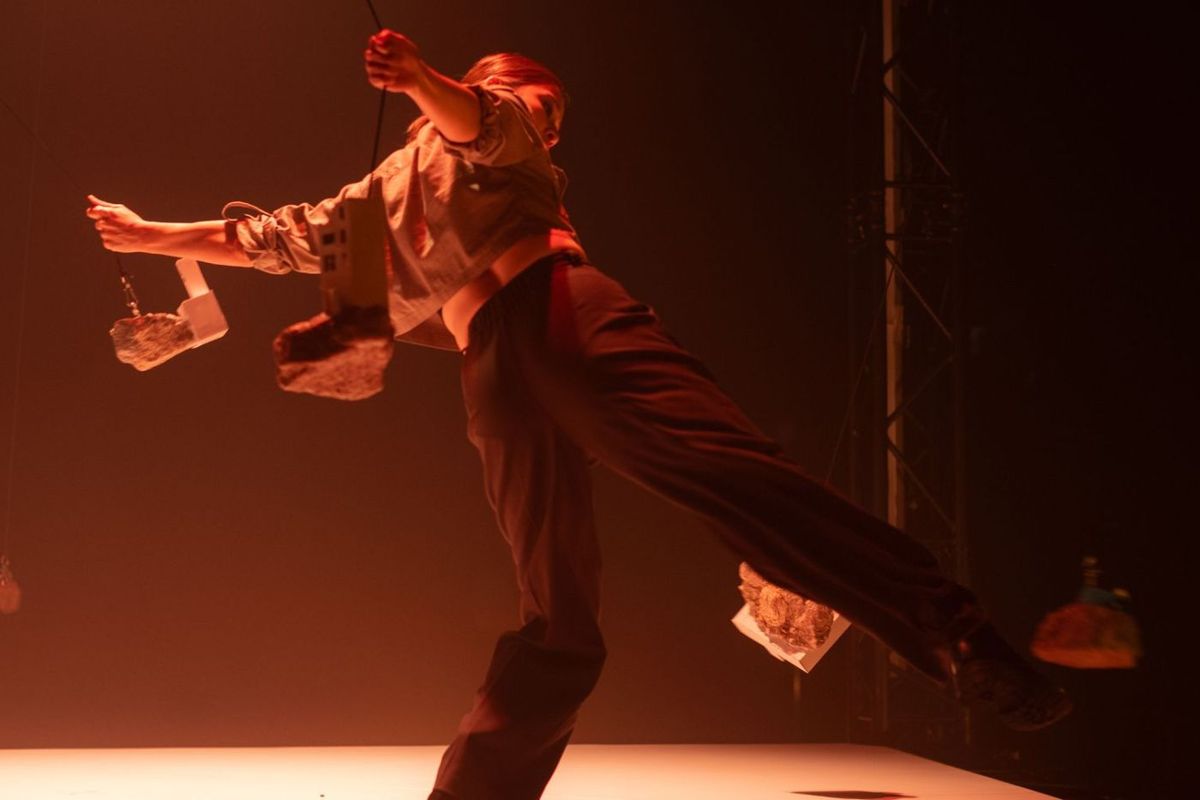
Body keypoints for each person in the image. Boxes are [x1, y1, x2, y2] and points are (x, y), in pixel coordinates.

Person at [86, 29, 1070, 800]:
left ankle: (958, 636)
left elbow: (484, 121)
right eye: (529, 97)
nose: (540, 116)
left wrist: (424, 79)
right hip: (492, 370)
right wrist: (148, 233)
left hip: (564, 315)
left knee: (732, 476)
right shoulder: (375, 199)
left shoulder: (508, 145)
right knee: (556, 613)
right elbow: (274, 238)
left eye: (545, 109)